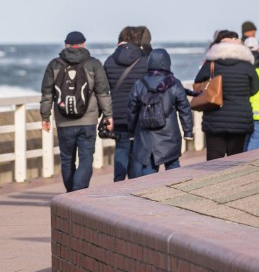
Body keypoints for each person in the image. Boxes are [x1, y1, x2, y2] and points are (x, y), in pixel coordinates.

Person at [40, 31, 112, 192]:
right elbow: (103, 92)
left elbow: (47, 94)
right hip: (88, 120)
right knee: (86, 158)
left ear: (66, 45)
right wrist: (108, 115)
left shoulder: (54, 65)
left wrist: (45, 117)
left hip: (63, 120)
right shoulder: (93, 64)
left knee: (67, 160)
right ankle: (79, 191)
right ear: (83, 44)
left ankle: (71, 193)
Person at [194, 30, 259, 160]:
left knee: (214, 162)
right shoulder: (247, 65)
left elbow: (198, 84)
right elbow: (255, 88)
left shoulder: (211, 63)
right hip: (240, 118)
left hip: (215, 118)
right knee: (235, 161)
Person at [125, 49, 194, 174]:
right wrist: (187, 132)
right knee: (173, 166)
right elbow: (184, 109)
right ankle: (177, 192)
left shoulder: (140, 84)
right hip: (169, 134)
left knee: (149, 170)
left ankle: (151, 193)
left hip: (146, 135)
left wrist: (131, 131)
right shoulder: (174, 83)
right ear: (168, 63)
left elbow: (132, 110)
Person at [103, 26, 152, 182]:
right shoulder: (145, 60)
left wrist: (106, 114)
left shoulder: (110, 61)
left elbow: (104, 90)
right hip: (139, 112)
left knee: (122, 146)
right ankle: (135, 182)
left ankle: (118, 181)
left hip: (118, 113)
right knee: (138, 149)